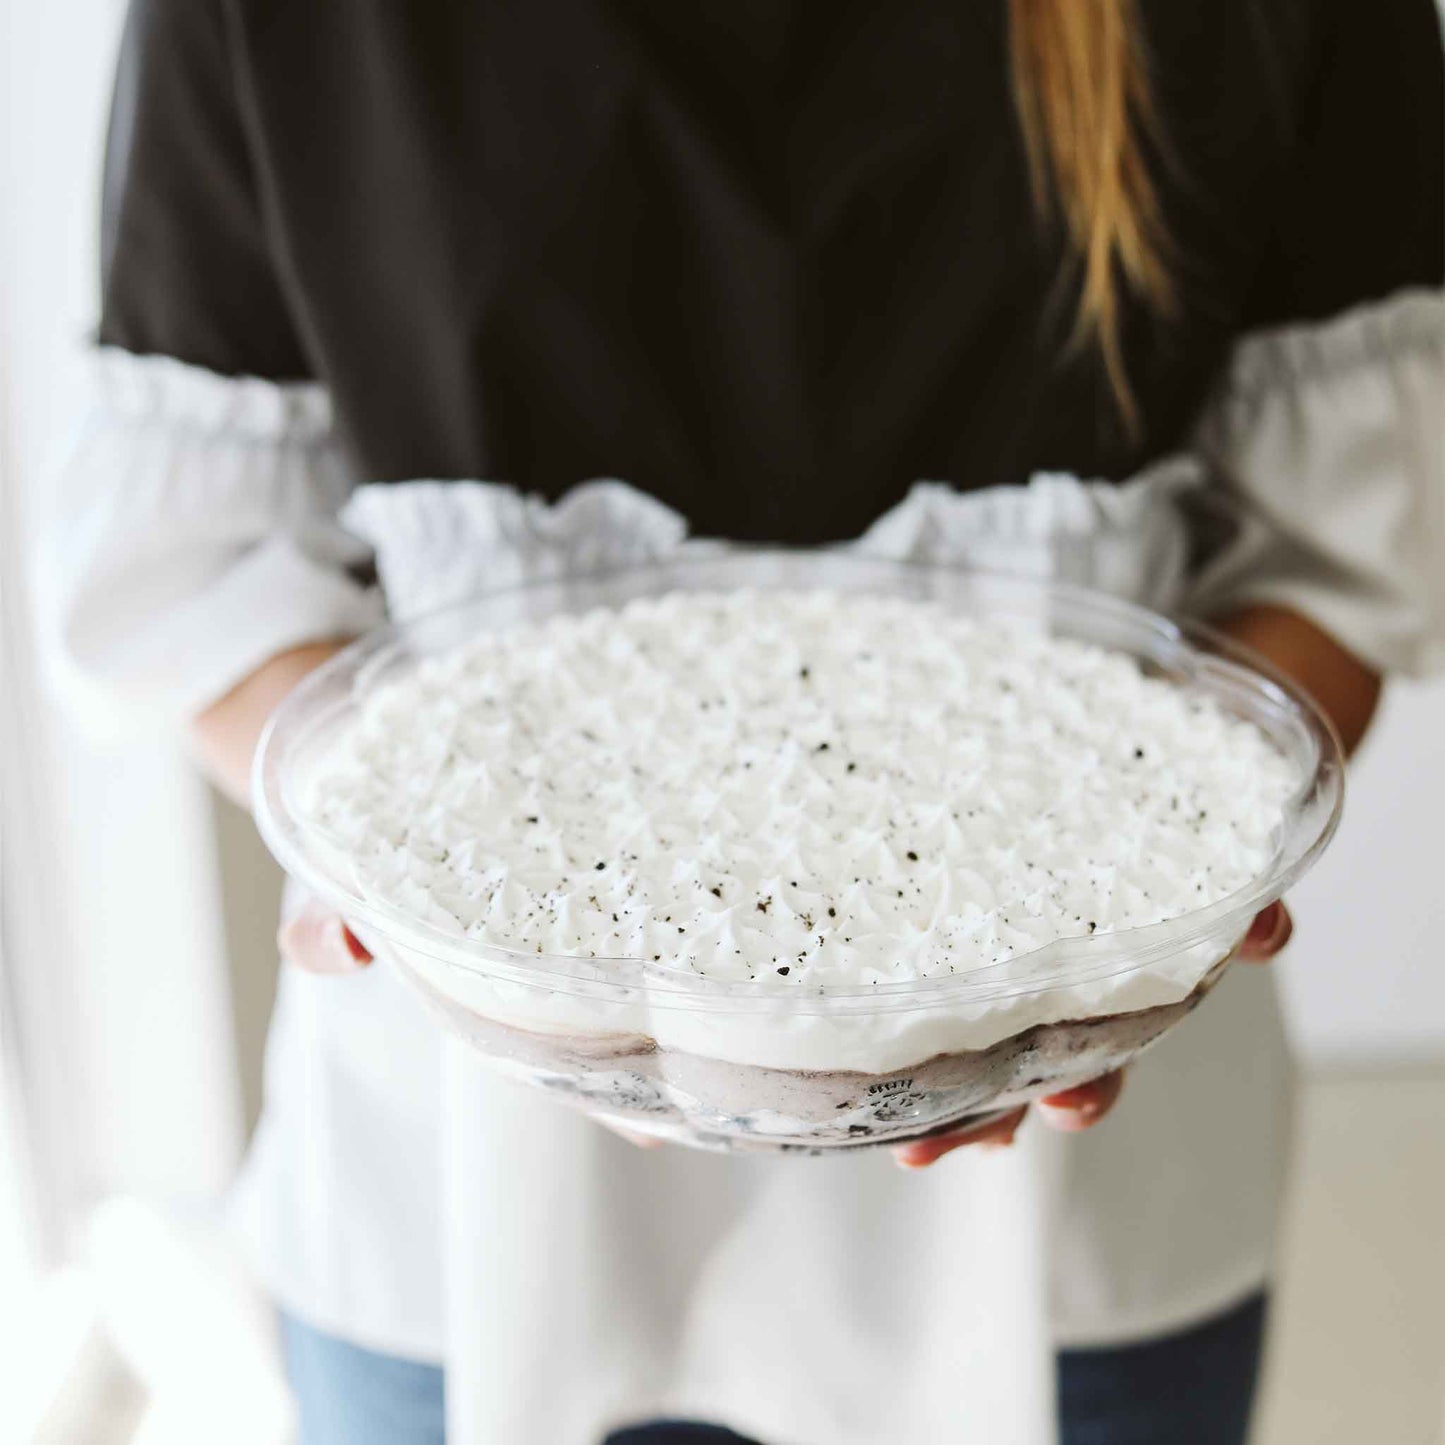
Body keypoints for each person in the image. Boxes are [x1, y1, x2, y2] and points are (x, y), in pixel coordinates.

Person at [48, 1, 1442, 1442]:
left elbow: (1332, 562)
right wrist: (392, 856)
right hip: (466, 1221)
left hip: (1073, 1248)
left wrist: (1170, 899)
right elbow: (201, 570)